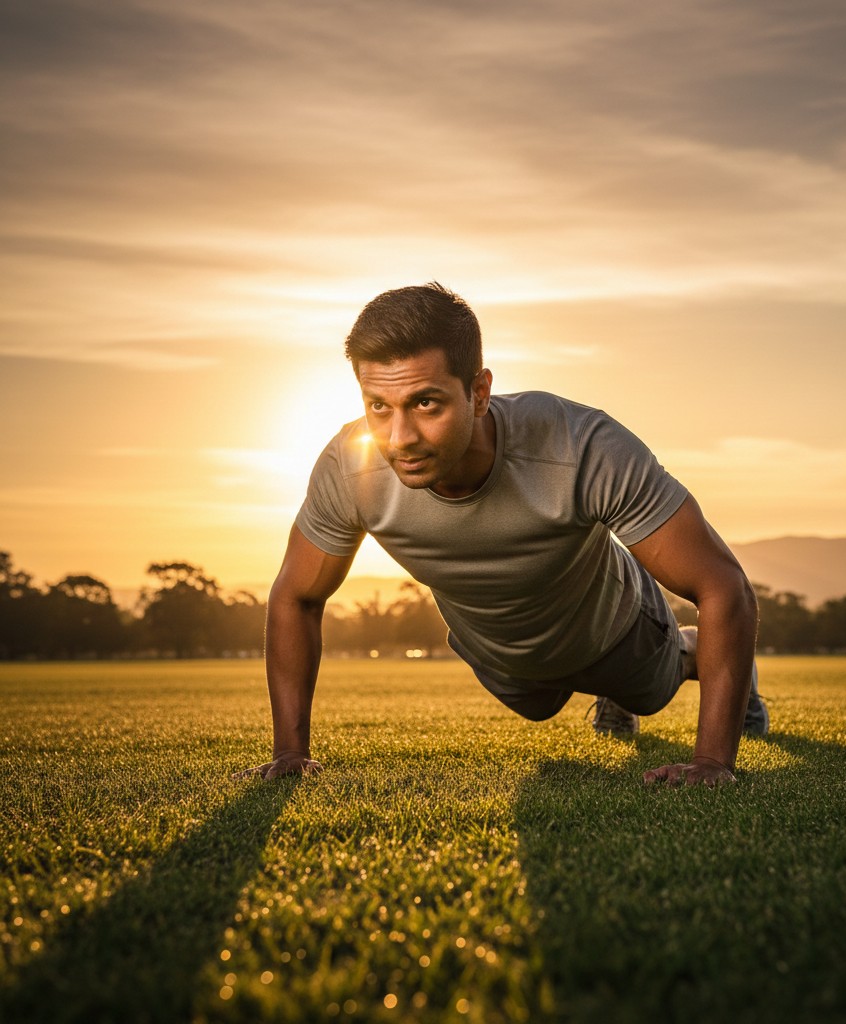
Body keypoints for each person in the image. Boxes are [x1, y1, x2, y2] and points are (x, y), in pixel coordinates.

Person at [235, 283, 767, 788]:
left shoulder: (579, 445)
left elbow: (725, 587)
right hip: (504, 656)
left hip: (612, 628)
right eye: (379, 406)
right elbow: (297, 597)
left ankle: (693, 669)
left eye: (426, 403)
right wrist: (290, 753)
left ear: (479, 392)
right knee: (534, 706)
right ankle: (593, 685)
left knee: (651, 685)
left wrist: (712, 760)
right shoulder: (348, 470)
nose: (400, 439)